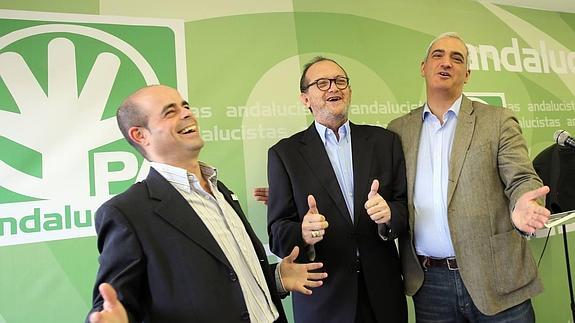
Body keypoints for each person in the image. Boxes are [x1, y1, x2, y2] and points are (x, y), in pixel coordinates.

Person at [86, 85, 327, 323]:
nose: (187, 113)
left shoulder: (220, 190)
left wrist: (277, 277)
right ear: (141, 135)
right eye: (170, 112)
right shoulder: (126, 213)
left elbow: (229, 280)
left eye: (185, 106)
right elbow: (112, 304)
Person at [387, 32, 551, 322]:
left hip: (496, 277)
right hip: (429, 283)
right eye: (438, 55)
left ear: (467, 74)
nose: (446, 63)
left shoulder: (497, 120)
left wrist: (524, 203)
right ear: (423, 67)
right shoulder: (398, 130)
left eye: (457, 58)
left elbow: (521, 178)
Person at [266, 57, 408, 323]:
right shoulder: (284, 155)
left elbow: (403, 207)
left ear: (350, 91)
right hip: (324, 300)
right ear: (305, 99)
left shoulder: (384, 142)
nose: (334, 88)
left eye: (340, 81)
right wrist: (303, 233)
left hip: (383, 296)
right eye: (322, 83)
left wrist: (389, 215)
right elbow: (277, 233)